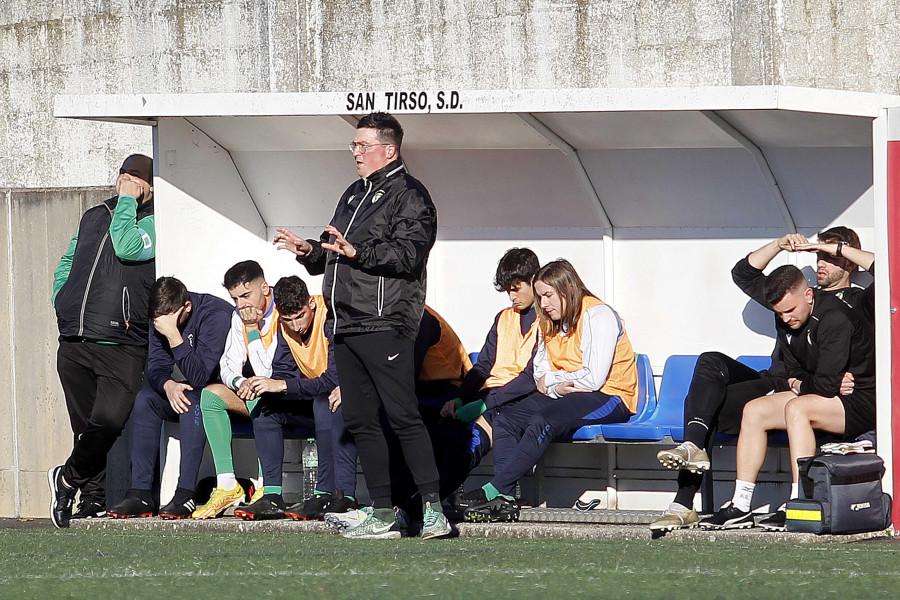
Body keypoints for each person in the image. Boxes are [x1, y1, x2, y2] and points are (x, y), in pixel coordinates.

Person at [273, 111, 450, 539]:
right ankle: (383, 511)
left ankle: (433, 511)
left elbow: (408, 256)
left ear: (389, 150)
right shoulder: (354, 193)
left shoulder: (411, 194)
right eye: (354, 145)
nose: (355, 152)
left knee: (403, 416)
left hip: (385, 321)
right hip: (346, 325)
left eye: (363, 145)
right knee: (360, 420)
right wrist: (308, 250)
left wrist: (359, 253)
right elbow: (336, 251)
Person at [649, 229, 874, 533]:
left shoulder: (856, 302)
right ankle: (727, 493)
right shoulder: (788, 298)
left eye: (829, 257)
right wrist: (781, 245)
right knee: (711, 377)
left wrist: (836, 247)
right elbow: (743, 274)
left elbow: (888, 273)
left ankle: (686, 499)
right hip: (785, 382)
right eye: (817, 255)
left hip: (827, 393)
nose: (821, 261)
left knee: (720, 407)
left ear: (849, 263)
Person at [456, 259, 637, 522]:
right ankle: (505, 499)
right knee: (505, 419)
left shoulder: (598, 315)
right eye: (540, 297)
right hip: (563, 392)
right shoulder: (550, 320)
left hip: (610, 396)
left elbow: (593, 379)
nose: (543, 304)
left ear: (569, 290)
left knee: (545, 420)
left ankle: (496, 488)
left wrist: (553, 381)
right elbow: (539, 371)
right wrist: (555, 384)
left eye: (549, 296)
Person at [699, 265, 874, 530]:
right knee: (754, 410)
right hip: (825, 393)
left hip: (859, 399)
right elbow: (794, 371)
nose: (785, 319)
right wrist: (801, 381)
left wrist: (806, 382)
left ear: (808, 295)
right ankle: (740, 504)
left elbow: (826, 385)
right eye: (779, 313)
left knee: (797, 408)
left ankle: (799, 499)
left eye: (790, 310)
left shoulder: (835, 318)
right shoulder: (785, 318)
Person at [49, 154, 156, 528]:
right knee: (86, 428)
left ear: (151, 186)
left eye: (136, 178)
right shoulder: (94, 215)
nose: (126, 182)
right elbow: (69, 259)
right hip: (75, 338)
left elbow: (128, 247)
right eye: (123, 175)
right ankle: (90, 498)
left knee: (109, 422)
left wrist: (128, 202)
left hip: (122, 340)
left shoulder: (158, 221)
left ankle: (66, 479)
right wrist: (62, 297)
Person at [232, 276, 358, 521]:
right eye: (288, 319)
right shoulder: (285, 325)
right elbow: (283, 372)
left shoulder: (330, 318)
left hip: (348, 396)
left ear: (311, 303)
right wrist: (262, 386)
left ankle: (338, 495)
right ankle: (271, 495)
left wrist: (280, 384)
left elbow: (332, 380)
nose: (296, 325)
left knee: (326, 402)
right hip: (317, 396)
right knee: (266, 408)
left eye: (300, 316)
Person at [106, 277, 232, 519]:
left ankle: (186, 494)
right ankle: (140, 493)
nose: (162, 324)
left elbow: (200, 376)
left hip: (228, 393)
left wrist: (174, 335)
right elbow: (155, 367)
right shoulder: (161, 319)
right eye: (158, 320)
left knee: (193, 399)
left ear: (186, 307)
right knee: (147, 400)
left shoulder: (214, 314)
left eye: (170, 318)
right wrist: (168, 384)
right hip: (196, 390)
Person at [191, 261, 277, 519]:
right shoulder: (239, 315)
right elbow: (228, 363)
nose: (241, 304)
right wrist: (240, 382)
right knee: (211, 395)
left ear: (265, 287)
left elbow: (269, 370)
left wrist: (252, 330)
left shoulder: (282, 309)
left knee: (263, 396)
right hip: (258, 390)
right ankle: (227, 485)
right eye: (235, 298)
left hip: (289, 394)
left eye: (245, 296)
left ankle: (266, 486)